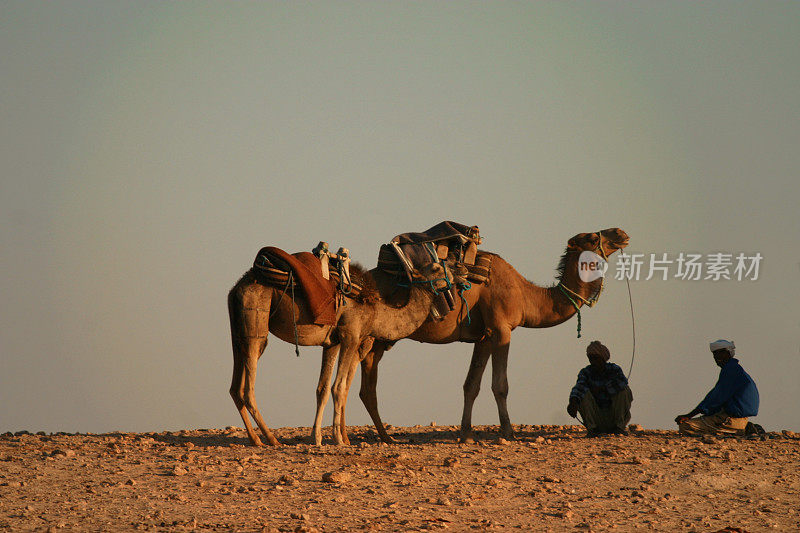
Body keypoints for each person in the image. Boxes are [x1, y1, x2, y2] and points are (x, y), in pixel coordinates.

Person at [675, 339, 760, 436]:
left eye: (721, 353)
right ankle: (742, 428)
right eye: (715, 354)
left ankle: (736, 431)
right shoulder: (736, 370)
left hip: (730, 419)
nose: (717, 357)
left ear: (728, 353)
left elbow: (716, 398)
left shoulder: (731, 370)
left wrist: (689, 415)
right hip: (739, 418)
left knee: (685, 426)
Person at [567, 340, 633, 436]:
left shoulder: (614, 370)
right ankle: (592, 429)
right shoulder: (586, 372)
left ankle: (619, 427)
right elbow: (579, 388)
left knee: (624, 390)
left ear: (603, 358)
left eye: (596, 358)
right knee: (582, 394)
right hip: (597, 418)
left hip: (613, 415)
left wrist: (603, 389)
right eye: (591, 358)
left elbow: (622, 382)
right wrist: (573, 402)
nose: (593, 361)